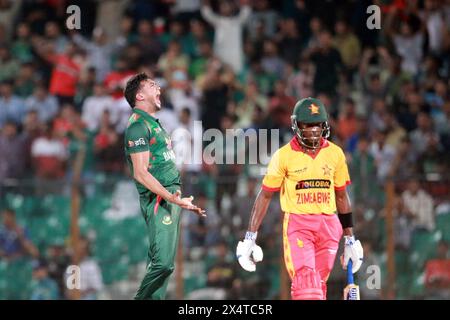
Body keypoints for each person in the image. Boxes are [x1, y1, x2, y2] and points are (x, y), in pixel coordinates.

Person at [236, 97, 364, 300]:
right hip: (299, 225)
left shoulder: (336, 154)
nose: (313, 130)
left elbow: (341, 197)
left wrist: (350, 239)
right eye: (307, 125)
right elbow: (266, 194)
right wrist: (250, 238)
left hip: (329, 226)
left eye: (317, 125)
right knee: (306, 287)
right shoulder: (284, 156)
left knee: (319, 287)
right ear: (297, 125)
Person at [123, 72, 205, 300]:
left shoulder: (154, 124)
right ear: (139, 96)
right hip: (159, 199)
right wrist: (170, 197)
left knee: (160, 266)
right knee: (164, 264)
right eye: (151, 85)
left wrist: (177, 198)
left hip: (170, 196)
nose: (158, 87)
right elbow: (140, 172)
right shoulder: (138, 127)